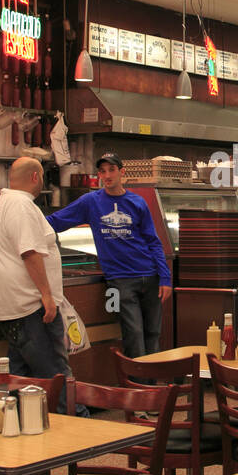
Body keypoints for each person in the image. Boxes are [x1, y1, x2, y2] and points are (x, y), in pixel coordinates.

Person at [47, 153, 171, 357]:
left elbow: (153, 241)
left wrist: (164, 277)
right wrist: (28, 220)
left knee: (153, 333)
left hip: (150, 276)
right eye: (103, 171)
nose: (107, 175)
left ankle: (151, 384)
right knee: (134, 334)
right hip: (120, 280)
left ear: (122, 172)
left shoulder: (137, 202)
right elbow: (57, 221)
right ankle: (138, 385)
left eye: (112, 170)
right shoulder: (90, 201)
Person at [0, 157, 71, 381]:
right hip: (31, 309)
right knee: (56, 378)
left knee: (19, 381)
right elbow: (29, 252)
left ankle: (17, 417)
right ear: (35, 177)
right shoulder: (21, 205)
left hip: (16, 308)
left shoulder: (3, 202)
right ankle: (72, 416)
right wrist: (46, 295)